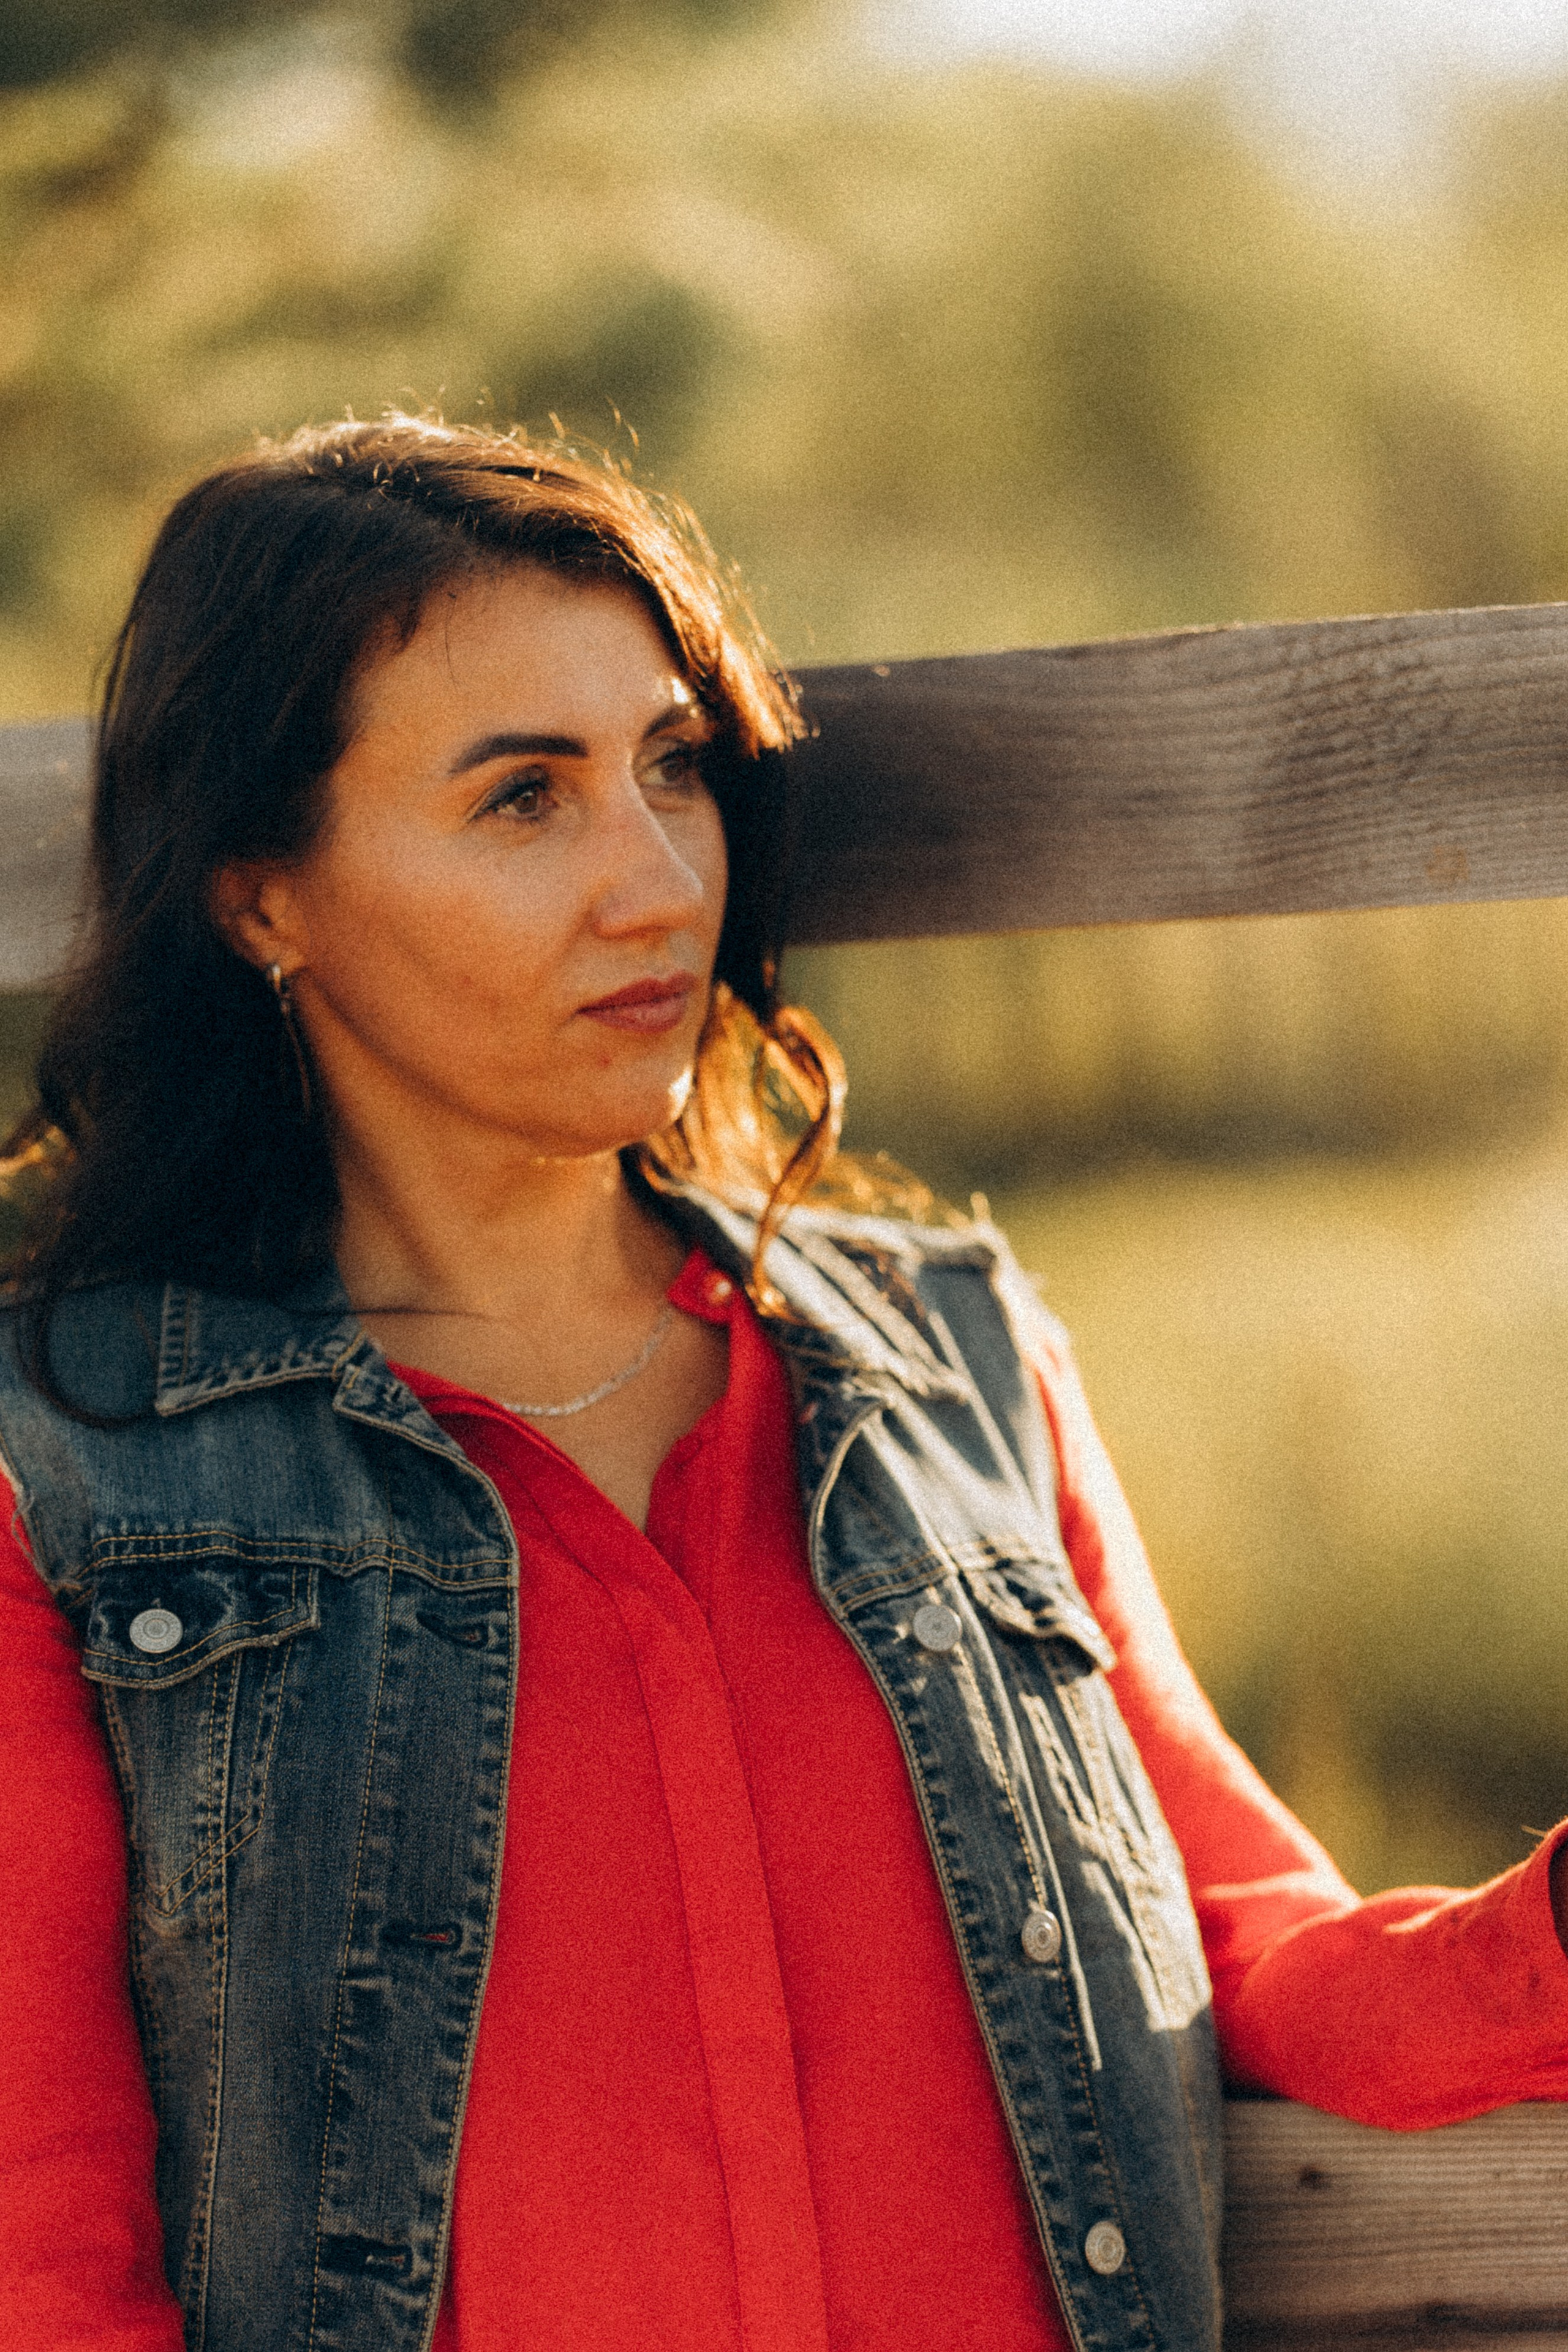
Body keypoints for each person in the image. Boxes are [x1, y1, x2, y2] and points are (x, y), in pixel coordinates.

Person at [1, 415, 1566, 2352]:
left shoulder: (955, 1361)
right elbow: (42, 2256)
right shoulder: (62, 1472)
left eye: (674, 766)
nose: (657, 883)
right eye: (523, 799)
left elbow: (1243, 1949)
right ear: (261, 899)